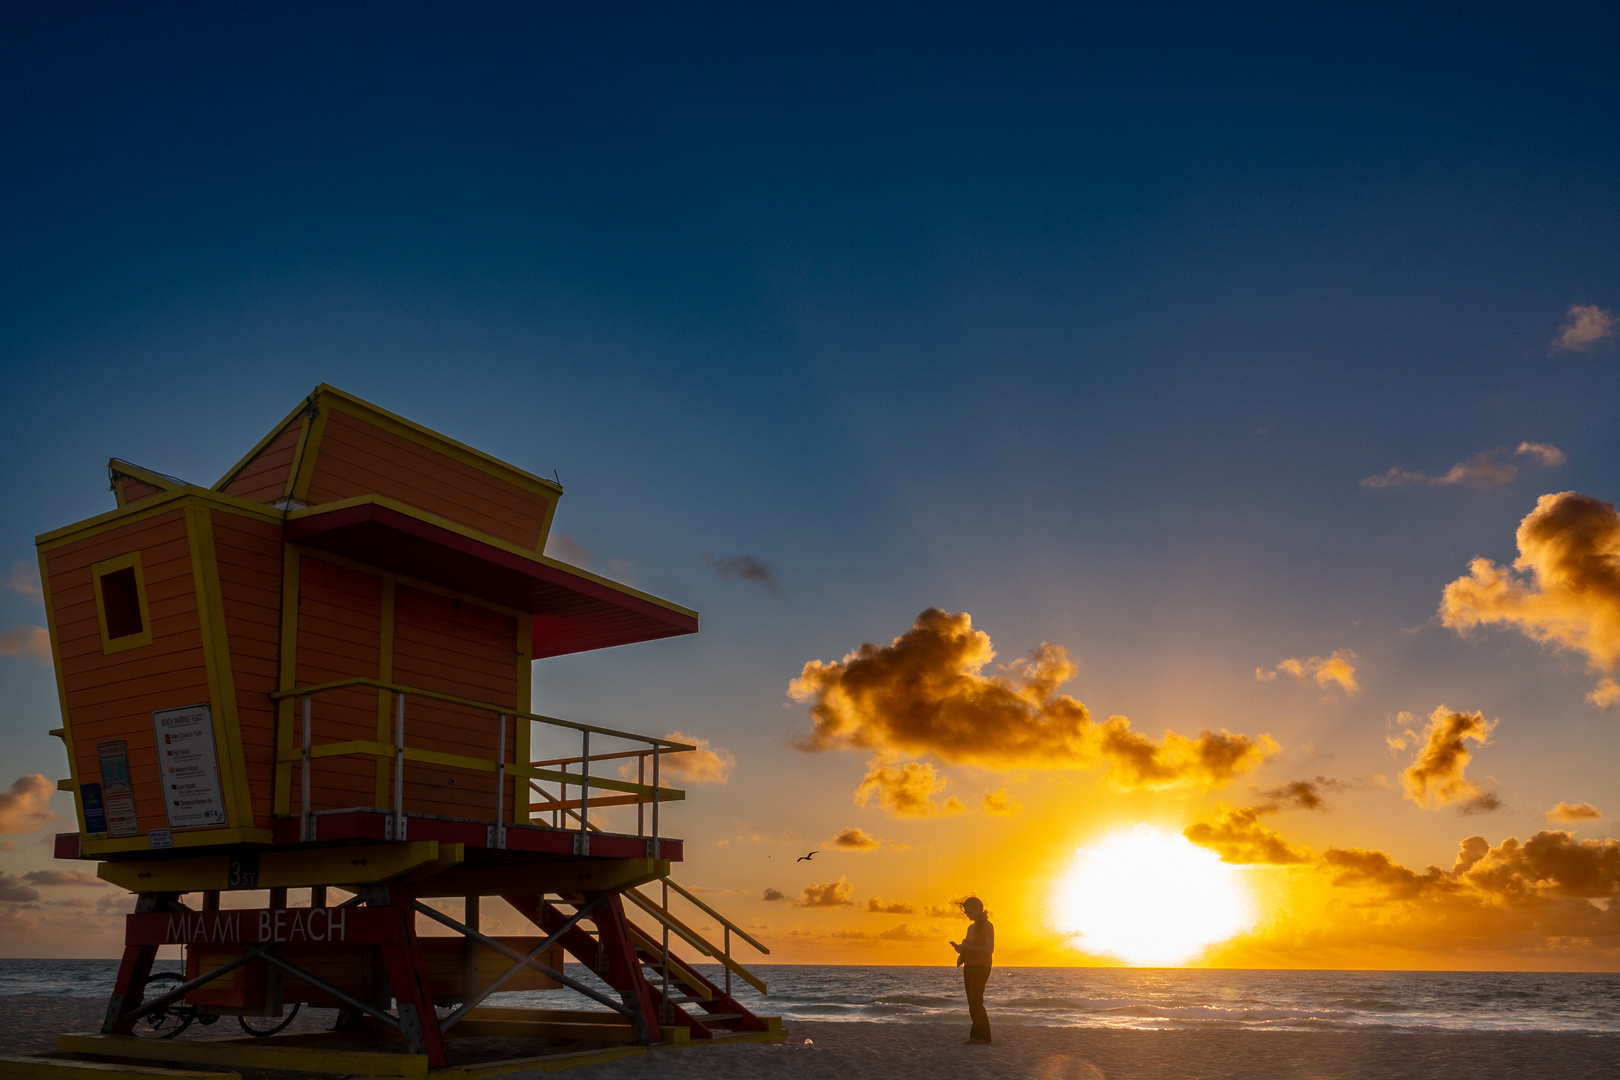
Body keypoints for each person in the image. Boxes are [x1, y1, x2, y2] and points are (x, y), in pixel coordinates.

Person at [949, 895, 994, 1045]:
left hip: (982, 966)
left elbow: (989, 949)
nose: (967, 914)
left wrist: (968, 947)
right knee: (972, 1003)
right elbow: (969, 949)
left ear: (978, 909)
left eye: (969, 911)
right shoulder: (970, 928)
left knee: (976, 1001)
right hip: (969, 966)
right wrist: (960, 949)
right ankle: (975, 1036)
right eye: (966, 912)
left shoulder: (987, 926)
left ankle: (985, 1037)